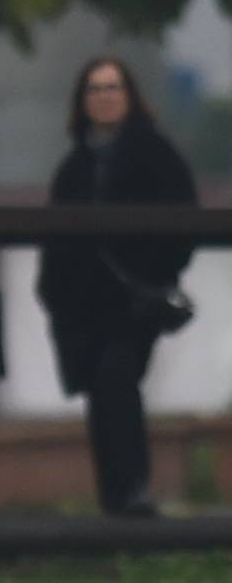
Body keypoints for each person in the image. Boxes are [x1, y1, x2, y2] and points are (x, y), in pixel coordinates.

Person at [38, 58, 198, 517]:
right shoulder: (74, 166)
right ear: (82, 101)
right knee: (100, 397)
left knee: (118, 380)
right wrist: (55, 295)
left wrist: (155, 274)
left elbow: (183, 226)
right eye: (95, 89)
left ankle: (134, 497)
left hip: (135, 305)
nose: (105, 96)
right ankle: (115, 506)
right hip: (83, 311)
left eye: (113, 87)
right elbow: (56, 242)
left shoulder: (157, 155)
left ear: (129, 95)